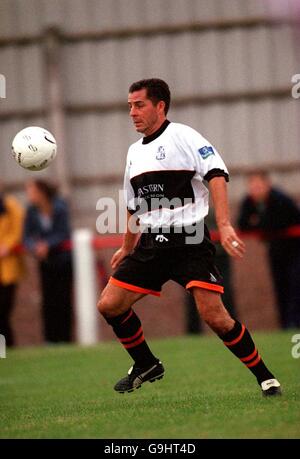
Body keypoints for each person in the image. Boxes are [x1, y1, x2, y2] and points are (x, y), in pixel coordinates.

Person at [97, 78, 281, 396]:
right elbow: (132, 206)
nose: (132, 112)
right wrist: (126, 247)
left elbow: (217, 175)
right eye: (129, 106)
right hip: (152, 244)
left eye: (139, 105)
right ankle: (146, 364)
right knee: (110, 304)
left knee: (215, 316)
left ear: (160, 106)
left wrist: (223, 225)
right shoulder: (133, 153)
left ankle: (265, 376)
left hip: (190, 242)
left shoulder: (184, 137)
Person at [237, 170, 300, 329]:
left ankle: (295, 323)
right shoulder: (249, 201)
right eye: (252, 186)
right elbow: (243, 224)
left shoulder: (280, 199)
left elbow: (279, 223)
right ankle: (286, 324)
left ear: (267, 185)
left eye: (259, 186)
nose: (255, 190)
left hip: (295, 250)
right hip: (276, 249)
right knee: (280, 285)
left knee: (295, 286)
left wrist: (260, 223)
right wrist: (261, 224)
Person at [23, 180, 73, 343]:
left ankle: (65, 339)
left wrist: (48, 245)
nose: (29, 195)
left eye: (31, 191)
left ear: (41, 192)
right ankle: (50, 339)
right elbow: (26, 237)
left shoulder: (60, 207)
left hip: (63, 261)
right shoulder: (31, 211)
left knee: (63, 300)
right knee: (48, 301)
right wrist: (35, 247)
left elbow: (64, 232)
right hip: (45, 262)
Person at [0, 187, 24, 346]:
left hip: (7, 268)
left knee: (3, 312)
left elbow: (19, 231)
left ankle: (8, 346)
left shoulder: (10, 206)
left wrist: (6, 246)